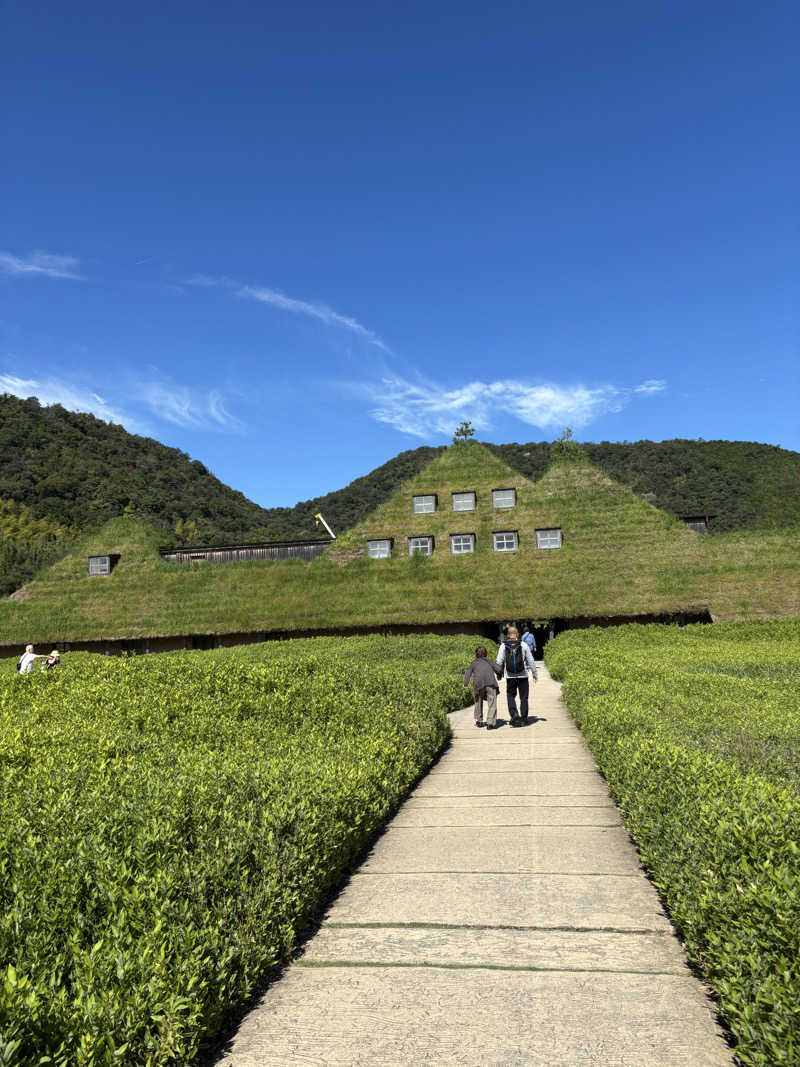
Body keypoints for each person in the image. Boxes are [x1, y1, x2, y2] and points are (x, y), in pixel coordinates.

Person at [496, 625, 537, 726]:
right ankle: (523, 718)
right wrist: (534, 673)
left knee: (510, 696)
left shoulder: (503, 645)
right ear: (517, 634)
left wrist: (499, 673)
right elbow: (530, 660)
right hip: (523, 675)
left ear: (508, 635)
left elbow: (499, 661)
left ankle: (514, 714)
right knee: (524, 697)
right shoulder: (523, 644)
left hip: (510, 676)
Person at [463, 646, 502, 730]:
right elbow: (499, 669)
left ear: (476, 654)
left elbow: (468, 673)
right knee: (492, 703)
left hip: (478, 684)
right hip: (490, 683)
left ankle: (479, 720)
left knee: (478, 702)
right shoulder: (489, 661)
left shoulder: (473, 663)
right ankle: (490, 723)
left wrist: (465, 684)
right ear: (486, 654)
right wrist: (499, 675)